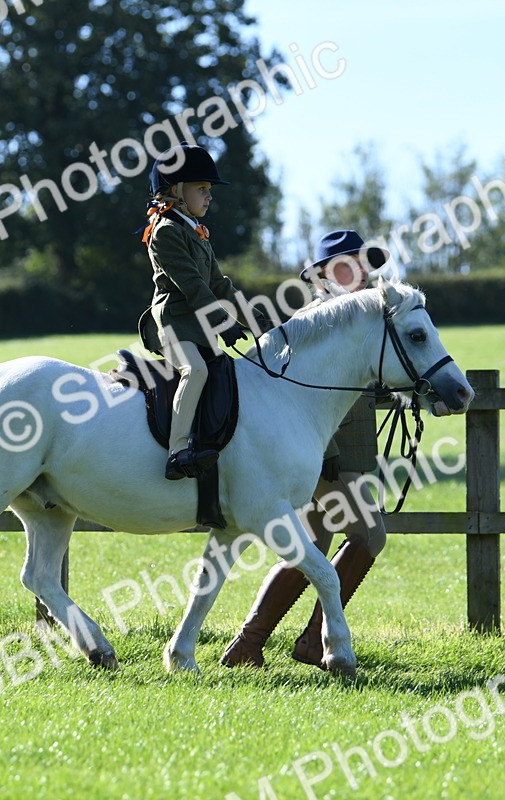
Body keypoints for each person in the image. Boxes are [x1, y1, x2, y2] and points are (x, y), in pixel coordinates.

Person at [220, 229, 391, 669]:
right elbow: (297, 397)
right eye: (346, 263)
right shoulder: (318, 319)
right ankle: (316, 639)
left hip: (345, 450)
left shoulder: (361, 317)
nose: (358, 271)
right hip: (325, 455)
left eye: (363, 263)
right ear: (320, 275)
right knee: (370, 535)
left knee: (309, 545)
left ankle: (248, 644)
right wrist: (328, 449)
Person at [138, 143, 252, 481]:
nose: (209, 196)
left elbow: (220, 284)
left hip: (198, 326)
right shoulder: (166, 231)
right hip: (172, 324)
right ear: (176, 191)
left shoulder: (197, 232)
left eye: (208, 190)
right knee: (197, 371)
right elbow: (193, 287)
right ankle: (177, 450)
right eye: (201, 189)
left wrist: (256, 320)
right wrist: (223, 322)